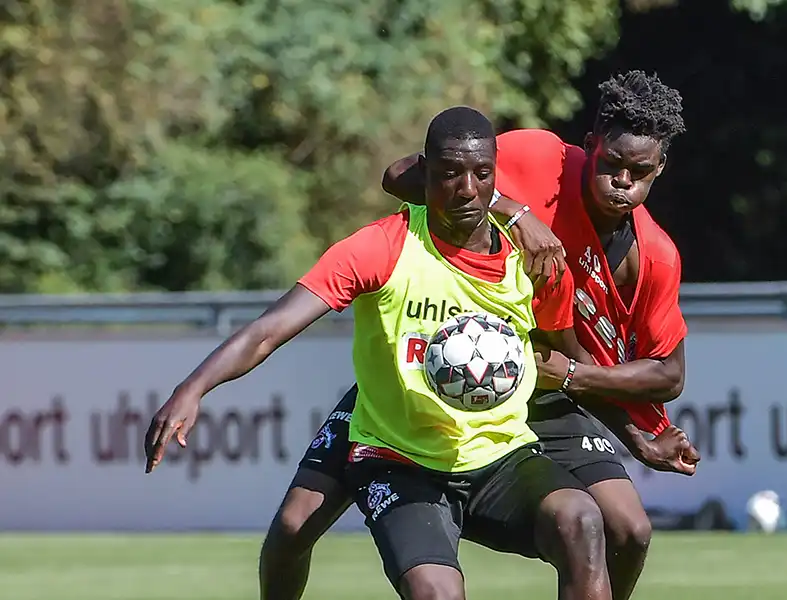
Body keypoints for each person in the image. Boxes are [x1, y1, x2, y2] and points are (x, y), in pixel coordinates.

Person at [145, 106, 613, 600]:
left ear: (496, 176)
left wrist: (636, 424)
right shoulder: (383, 247)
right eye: (449, 173)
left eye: (480, 174)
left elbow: (567, 361)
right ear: (425, 172)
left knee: (582, 520)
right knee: (306, 534)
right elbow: (271, 328)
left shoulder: (536, 262)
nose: (467, 189)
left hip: (497, 453)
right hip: (397, 454)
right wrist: (192, 388)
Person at [380, 70, 695, 600]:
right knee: (299, 521)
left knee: (630, 530)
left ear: (660, 168)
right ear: (590, 145)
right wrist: (513, 211)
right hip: (460, 373)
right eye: (611, 163)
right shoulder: (539, 158)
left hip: (548, 389)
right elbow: (399, 176)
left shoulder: (655, 256)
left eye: (639, 172)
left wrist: (587, 392)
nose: (622, 181)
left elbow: (669, 375)